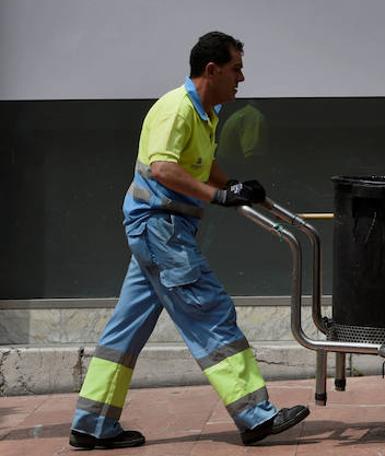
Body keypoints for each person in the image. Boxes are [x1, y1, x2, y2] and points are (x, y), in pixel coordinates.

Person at [68, 31, 309, 449]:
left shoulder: (205, 114)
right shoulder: (176, 109)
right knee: (210, 311)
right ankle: (255, 415)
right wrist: (218, 196)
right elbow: (163, 169)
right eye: (236, 69)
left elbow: (199, 164)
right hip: (162, 229)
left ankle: (91, 423)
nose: (242, 78)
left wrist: (232, 185)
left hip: (160, 229)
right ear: (211, 70)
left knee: (125, 329)